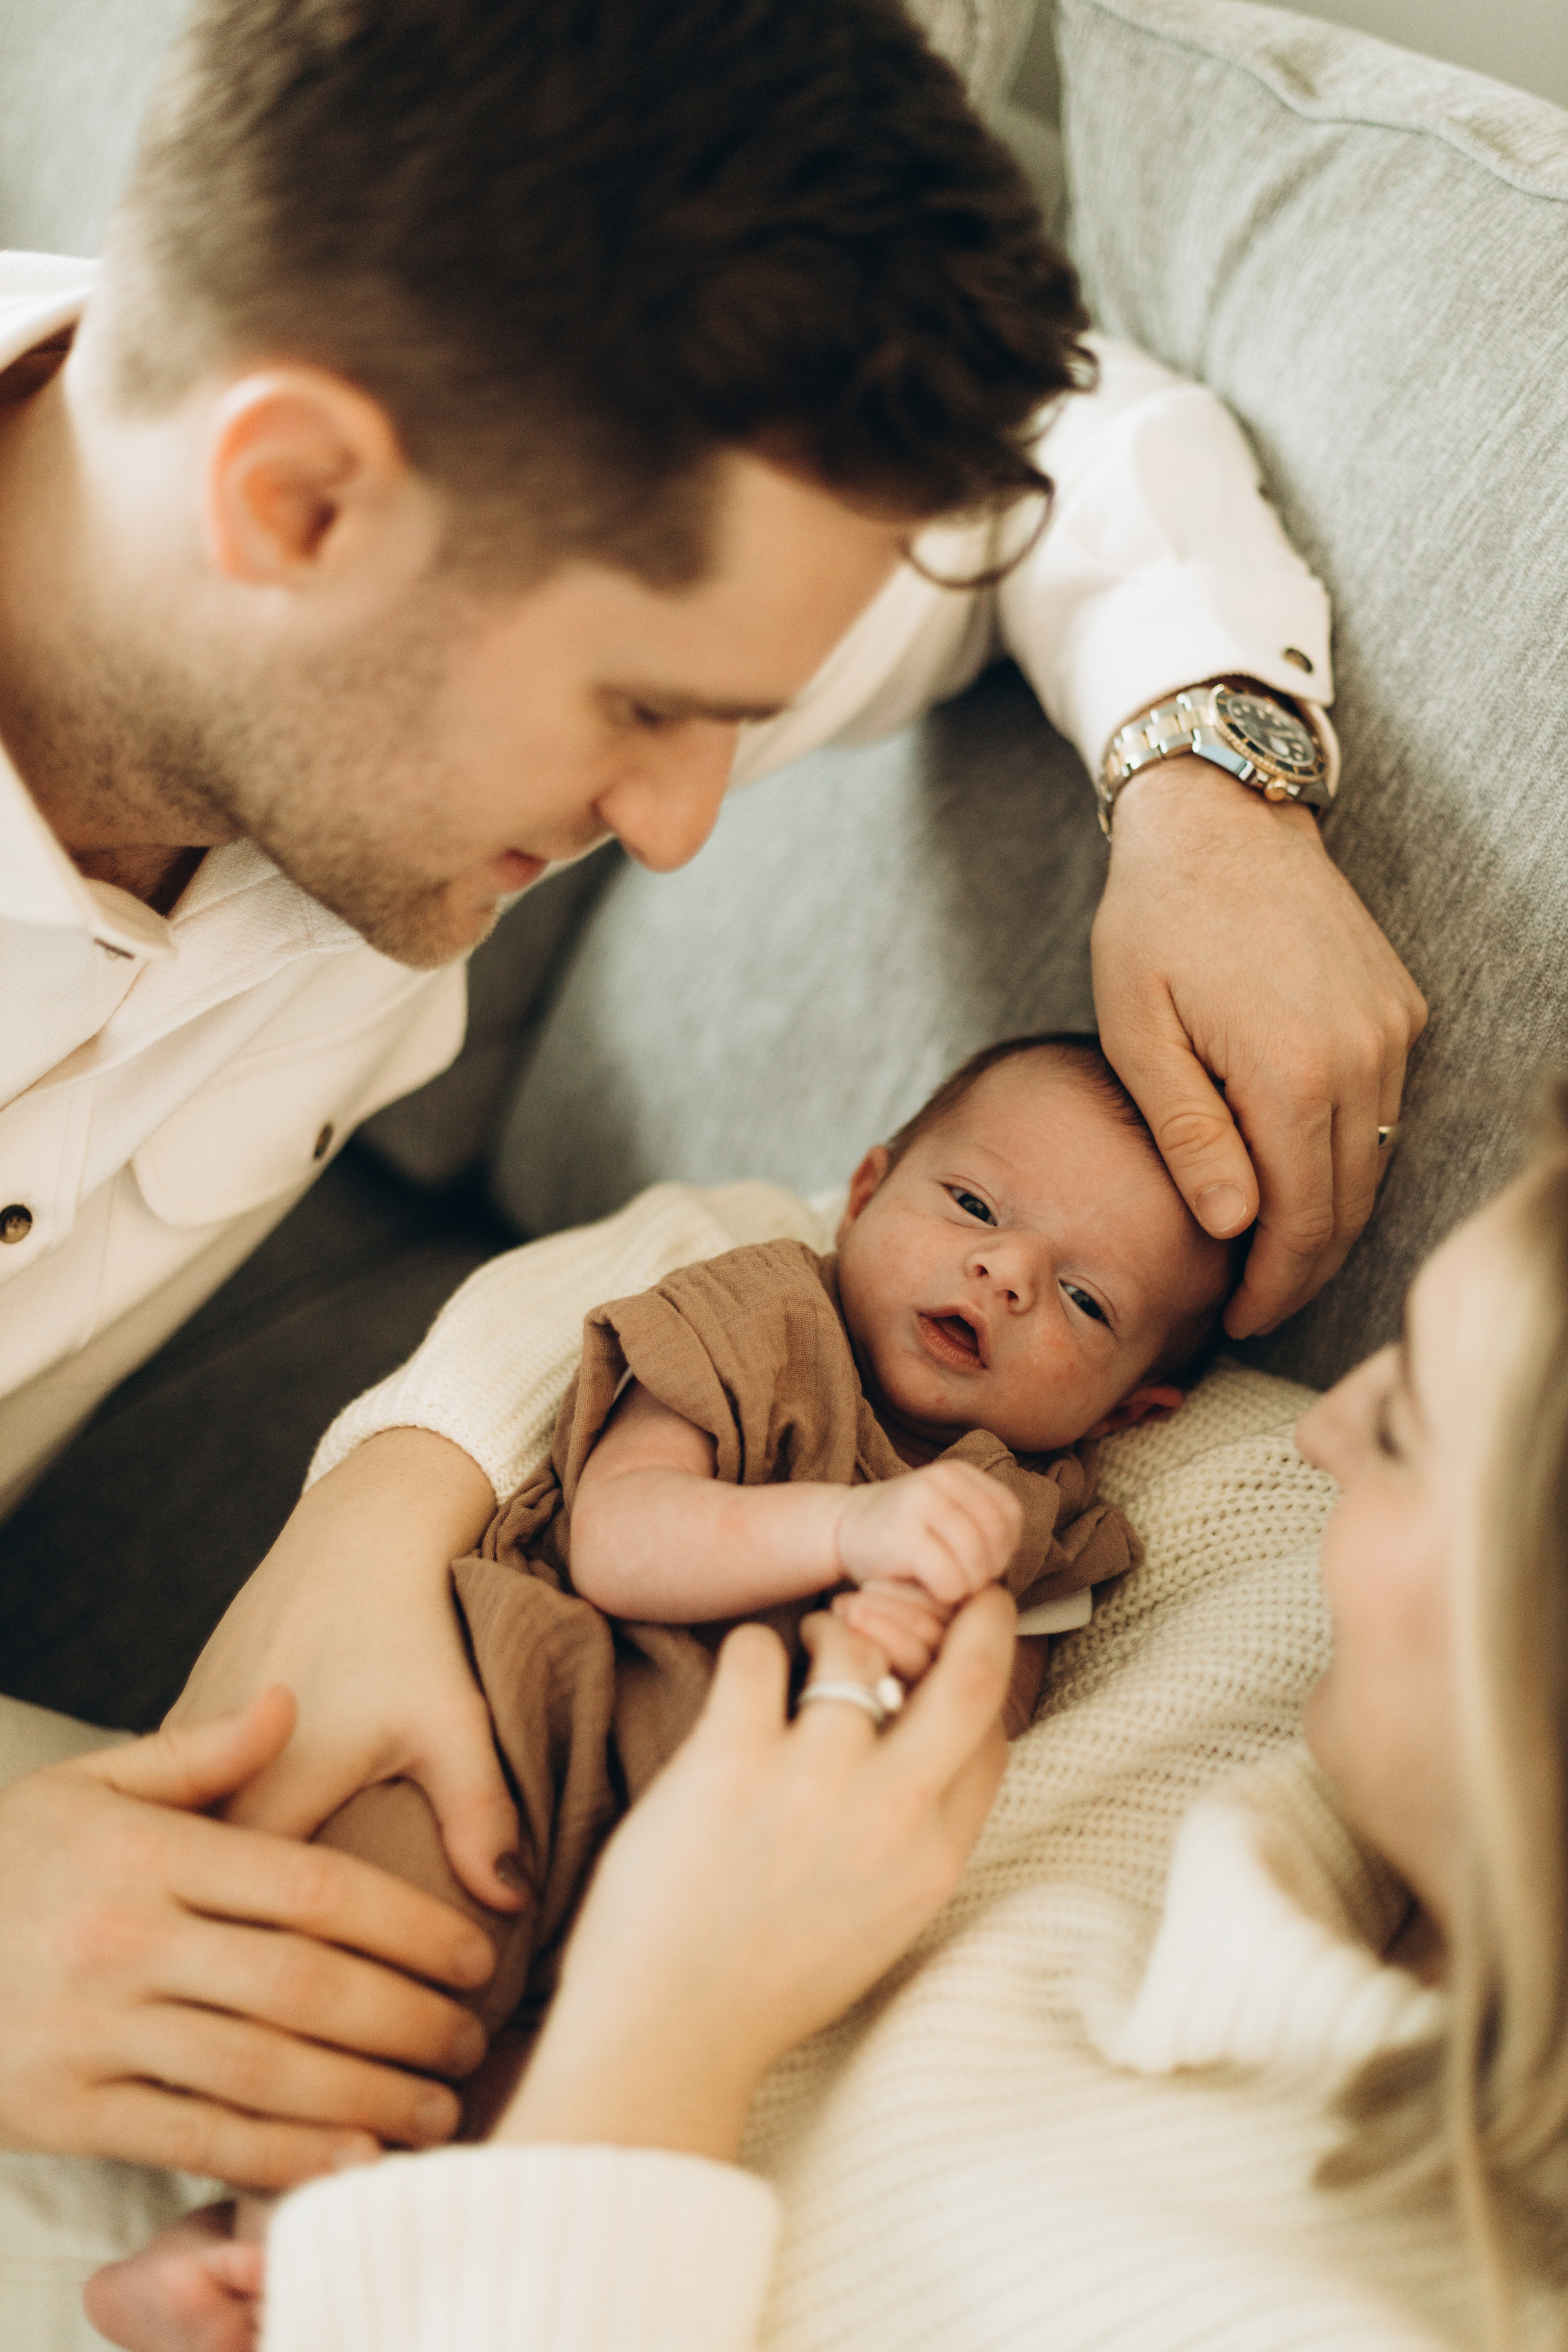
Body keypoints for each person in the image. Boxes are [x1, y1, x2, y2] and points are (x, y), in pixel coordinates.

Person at [0, 0, 1423, 2220]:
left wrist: (1210, 791)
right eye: (647, 707)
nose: (678, 826)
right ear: (293, 501)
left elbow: (1066, 460)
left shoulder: (422, 547)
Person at [77, 1081, 1568, 2349]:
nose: (1322, 1427)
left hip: (588, 1956)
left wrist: (668, 2020)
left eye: (1402, 1425)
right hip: (500, 1749)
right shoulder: (1261, 1540)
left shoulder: (1057, 1506)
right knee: (379, 1967)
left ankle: (285, 2259)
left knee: (453, 2060)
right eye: (975, 1214)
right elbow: (750, 1247)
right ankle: (276, 2222)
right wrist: (388, 1503)